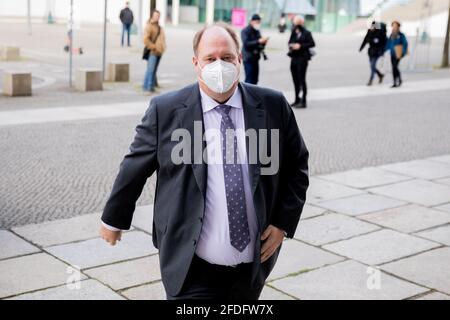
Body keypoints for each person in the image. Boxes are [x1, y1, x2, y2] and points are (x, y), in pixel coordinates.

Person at [100, 24, 309, 300]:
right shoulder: (167, 111)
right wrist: (113, 220)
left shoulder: (272, 105)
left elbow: (297, 165)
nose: (219, 65)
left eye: (227, 57)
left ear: (240, 60)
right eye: (210, 58)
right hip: (190, 265)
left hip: (252, 268)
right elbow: (134, 167)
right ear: (196, 63)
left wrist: (283, 222)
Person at [288, 15, 315, 109]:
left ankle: (303, 101)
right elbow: (289, 42)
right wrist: (292, 45)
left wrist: (300, 46)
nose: (296, 24)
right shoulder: (294, 32)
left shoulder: (307, 33)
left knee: (302, 80)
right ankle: (296, 99)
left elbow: (312, 43)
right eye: (295, 22)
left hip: (302, 59)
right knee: (295, 80)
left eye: (298, 22)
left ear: (302, 23)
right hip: (294, 59)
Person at [241, 14, 269, 84]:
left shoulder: (257, 31)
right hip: (248, 58)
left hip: (255, 58)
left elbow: (259, 44)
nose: (258, 24)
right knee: (249, 79)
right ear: (252, 21)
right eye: (257, 22)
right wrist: (258, 41)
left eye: (259, 22)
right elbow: (246, 44)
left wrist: (264, 42)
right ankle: (247, 94)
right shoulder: (245, 31)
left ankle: (253, 94)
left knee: (255, 79)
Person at [142, 10, 166, 93]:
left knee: (154, 70)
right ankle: (147, 88)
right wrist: (154, 47)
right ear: (152, 16)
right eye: (155, 15)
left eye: (158, 15)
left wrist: (163, 48)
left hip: (159, 52)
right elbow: (145, 39)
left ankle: (151, 87)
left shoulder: (159, 26)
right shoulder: (149, 26)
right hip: (153, 52)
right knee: (150, 70)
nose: (157, 17)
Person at [359, 21, 387, 86]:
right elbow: (365, 40)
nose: (372, 27)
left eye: (373, 26)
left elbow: (384, 43)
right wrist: (361, 48)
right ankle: (380, 75)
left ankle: (371, 80)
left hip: (377, 52)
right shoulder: (369, 32)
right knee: (372, 66)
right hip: (371, 52)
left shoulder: (380, 33)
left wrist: (382, 51)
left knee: (372, 66)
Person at [385, 21, 408, 88]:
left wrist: (403, 52)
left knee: (395, 66)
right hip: (392, 53)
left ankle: (397, 81)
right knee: (394, 68)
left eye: (395, 26)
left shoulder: (401, 35)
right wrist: (385, 50)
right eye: (393, 26)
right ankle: (396, 81)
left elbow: (405, 44)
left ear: (398, 26)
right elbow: (389, 43)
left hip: (398, 53)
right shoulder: (391, 35)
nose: (394, 27)